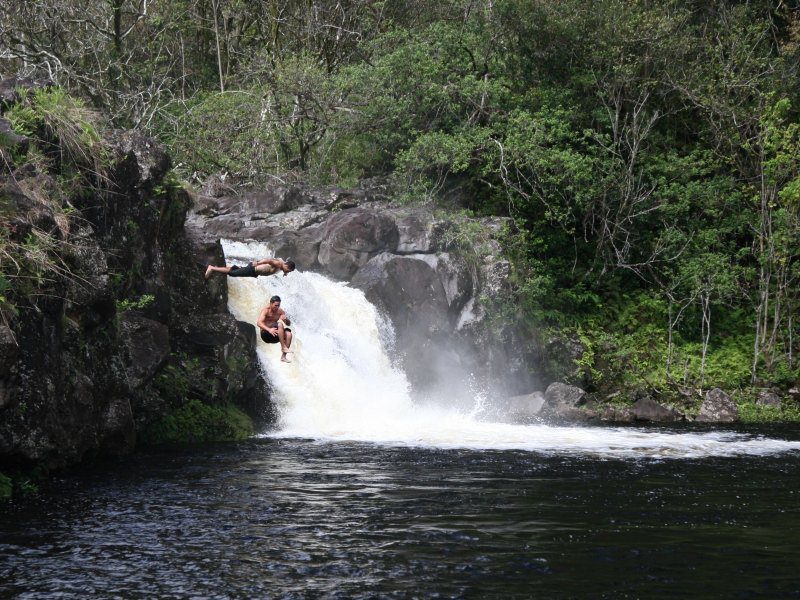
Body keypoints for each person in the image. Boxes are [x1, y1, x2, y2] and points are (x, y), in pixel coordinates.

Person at [257, 295, 294, 363]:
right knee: (279, 324)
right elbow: (259, 323)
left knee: (289, 334)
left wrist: (286, 319)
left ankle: (283, 356)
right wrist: (269, 330)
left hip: (276, 335)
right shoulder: (265, 311)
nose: (277, 307)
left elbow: (288, 324)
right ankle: (283, 347)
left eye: (278, 305)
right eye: (275, 305)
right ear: (271, 303)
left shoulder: (280, 312)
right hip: (266, 335)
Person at [205, 257, 295, 280]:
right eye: (288, 270)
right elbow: (268, 260)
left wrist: (285, 273)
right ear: (286, 266)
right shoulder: (279, 264)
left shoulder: (282, 266)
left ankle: (217, 268)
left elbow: (284, 269)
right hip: (253, 269)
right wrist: (258, 263)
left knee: (235, 270)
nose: (288, 272)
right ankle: (212, 268)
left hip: (254, 272)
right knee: (232, 273)